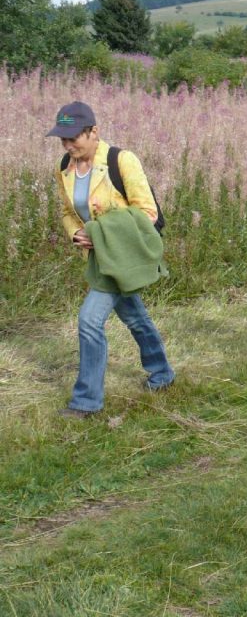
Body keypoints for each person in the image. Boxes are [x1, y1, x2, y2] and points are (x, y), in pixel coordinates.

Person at [47, 101, 175, 418]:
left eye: (74, 137)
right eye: (63, 139)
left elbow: (148, 212)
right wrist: (76, 234)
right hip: (98, 258)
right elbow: (67, 213)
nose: (68, 145)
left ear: (94, 132)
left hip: (123, 254)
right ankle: (162, 373)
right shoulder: (65, 166)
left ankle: (86, 401)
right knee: (134, 316)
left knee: (89, 320)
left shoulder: (121, 160)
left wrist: (99, 233)